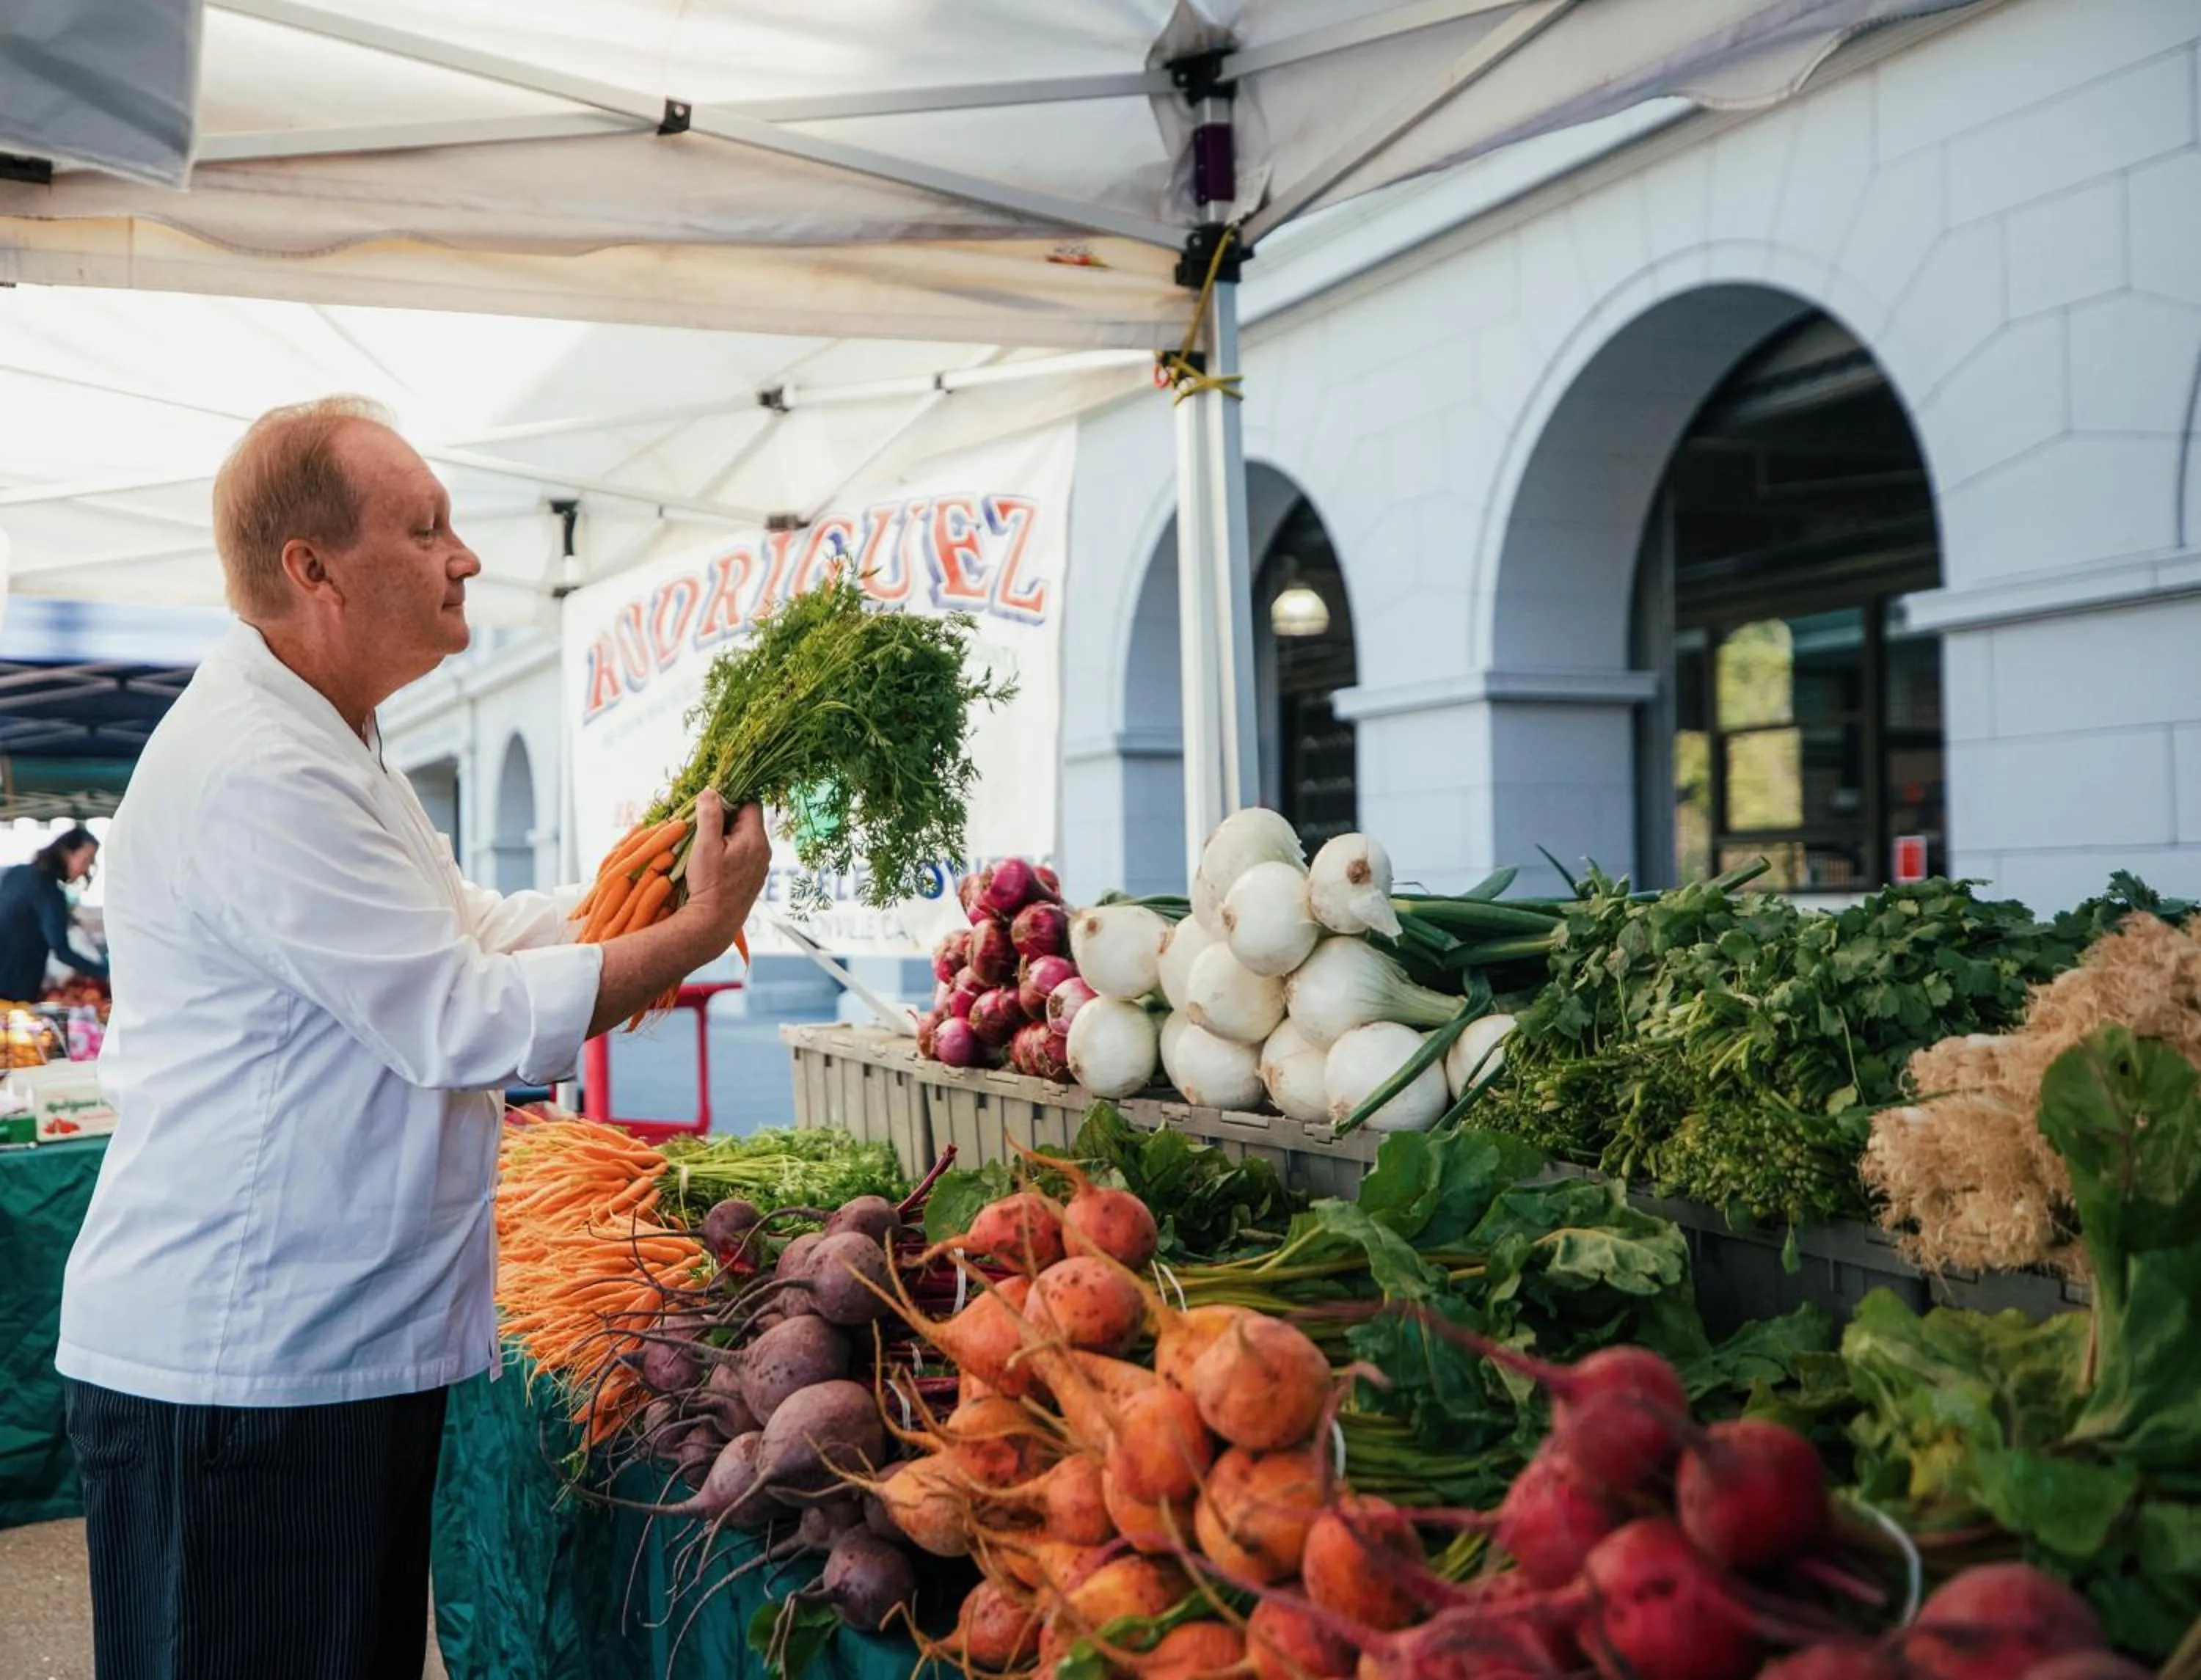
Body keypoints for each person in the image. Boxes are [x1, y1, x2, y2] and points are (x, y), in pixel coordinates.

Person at [55, 395, 770, 1680]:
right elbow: (461, 1016)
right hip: (245, 1373)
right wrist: (694, 934)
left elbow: (472, 929)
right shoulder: (257, 768)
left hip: (315, 1352)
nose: (467, 557)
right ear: (312, 571)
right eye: (426, 527)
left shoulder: (332, 740)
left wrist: (645, 889)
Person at [0, 825, 109, 1003]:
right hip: (15, 988)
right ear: (67, 853)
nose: (87, 868)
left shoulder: (17, 873)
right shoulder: (49, 891)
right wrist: (104, 973)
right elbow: (61, 950)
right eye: (86, 859)